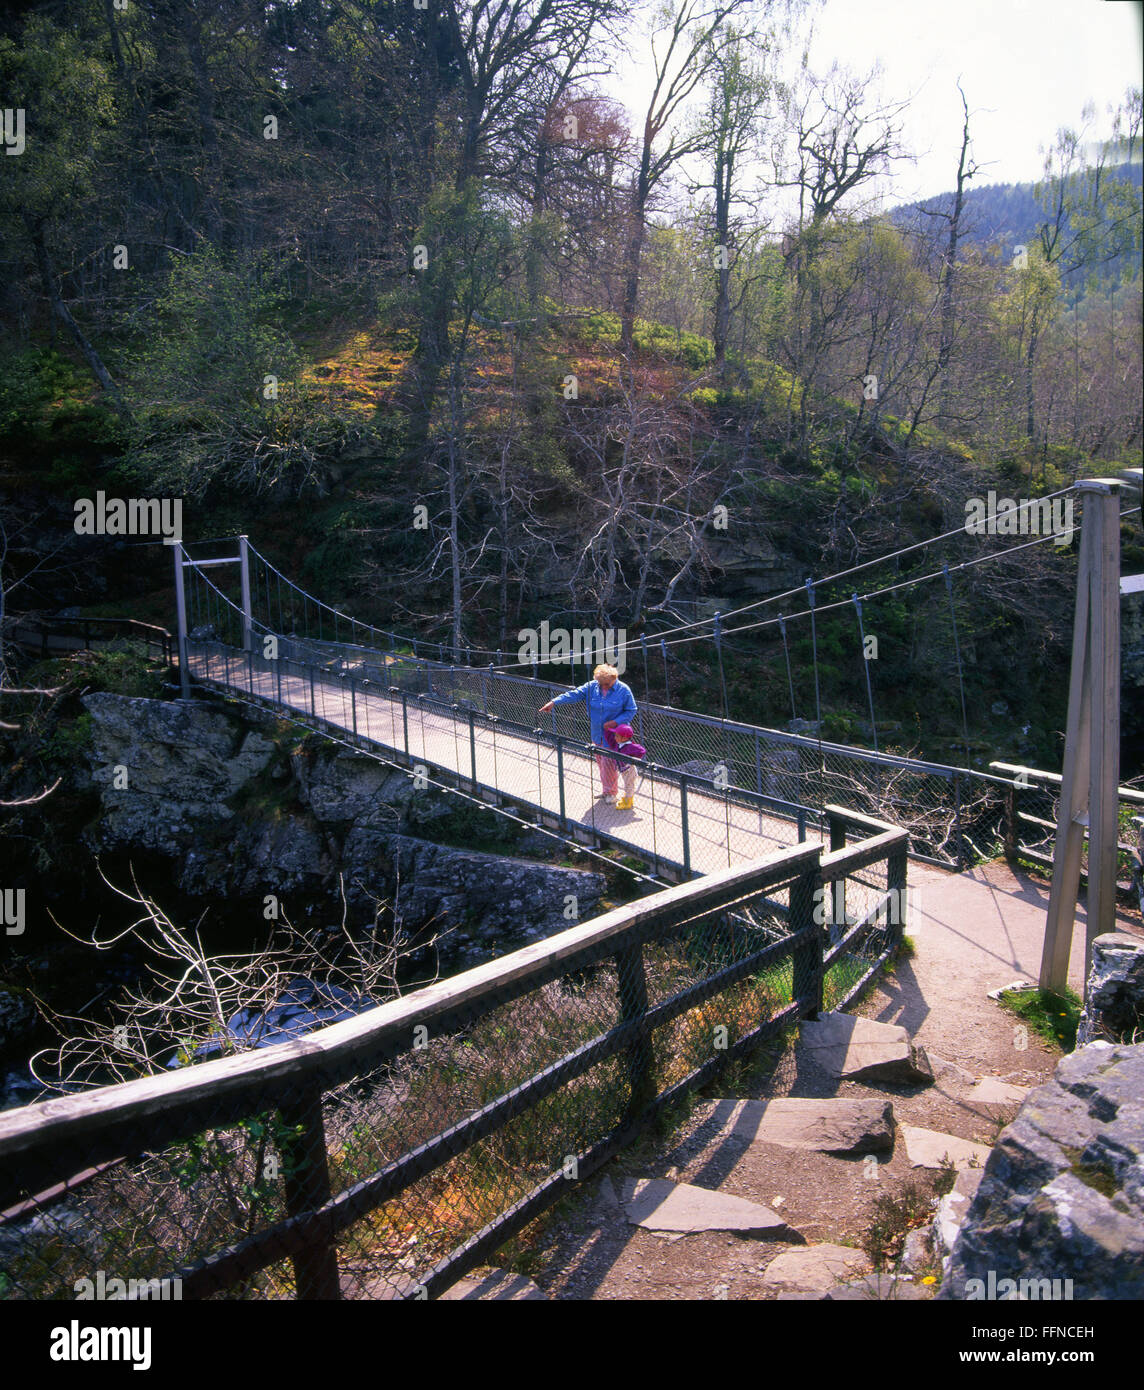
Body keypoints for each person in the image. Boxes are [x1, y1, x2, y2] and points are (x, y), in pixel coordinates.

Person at [539, 664, 639, 808]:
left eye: (607, 684)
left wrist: (615, 722)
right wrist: (554, 702)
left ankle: (611, 793)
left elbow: (631, 710)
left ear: (614, 679)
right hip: (597, 733)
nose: (604, 687)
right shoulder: (592, 686)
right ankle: (607, 790)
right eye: (601, 684)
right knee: (600, 762)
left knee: (608, 763)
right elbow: (574, 694)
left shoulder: (623, 690)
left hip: (614, 736)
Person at [603, 723, 645, 810]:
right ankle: (627, 800)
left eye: (617, 736)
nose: (615, 738)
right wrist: (607, 730)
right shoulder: (618, 744)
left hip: (629, 770)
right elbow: (610, 740)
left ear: (625, 738)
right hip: (623, 770)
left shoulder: (630, 746)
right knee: (627, 785)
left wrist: (633, 759)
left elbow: (641, 750)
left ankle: (628, 803)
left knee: (629, 786)